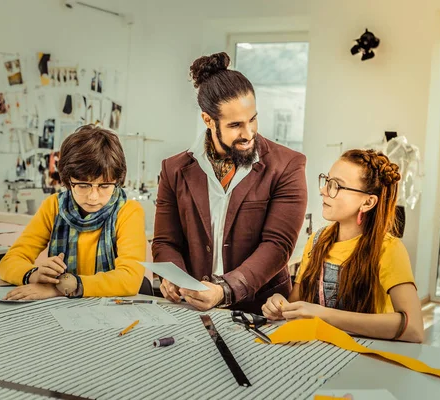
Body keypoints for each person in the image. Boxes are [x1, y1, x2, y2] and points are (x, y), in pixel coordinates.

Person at [153, 52, 307, 313]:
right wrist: (173, 277)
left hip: (262, 309)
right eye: (235, 125)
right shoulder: (174, 169)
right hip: (195, 309)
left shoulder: (287, 166)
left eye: (252, 119)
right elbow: (165, 242)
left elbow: (277, 246)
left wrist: (224, 290)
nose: (248, 134)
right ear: (208, 121)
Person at [262, 149, 424, 343]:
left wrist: (324, 315)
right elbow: (297, 304)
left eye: (336, 185)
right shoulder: (316, 242)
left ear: (368, 202)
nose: (323, 191)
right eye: (327, 181)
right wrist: (281, 305)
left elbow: (413, 329)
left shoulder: (389, 249)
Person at [0, 125, 146, 300]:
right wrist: (35, 274)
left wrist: (63, 287)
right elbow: (9, 262)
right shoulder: (53, 206)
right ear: (69, 180)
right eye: (83, 185)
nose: (93, 196)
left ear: (117, 181)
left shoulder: (128, 212)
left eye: (104, 186)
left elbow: (129, 279)